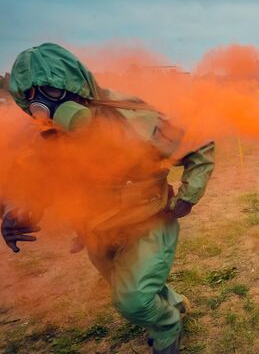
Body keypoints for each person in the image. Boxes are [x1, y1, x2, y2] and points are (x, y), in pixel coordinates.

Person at [1, 43, 215, 354]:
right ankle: (173, 302)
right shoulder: (44, 135)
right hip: (97, 232)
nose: (42, 108)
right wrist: (17, 213)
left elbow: (198, 145)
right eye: (30, 98)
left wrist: (188, 196)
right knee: (131, 284)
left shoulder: (132, 117)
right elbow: (36, 183)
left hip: (147, 223)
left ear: (74, 84)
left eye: (50, 93)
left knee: (132, 300)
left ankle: (167, 325)